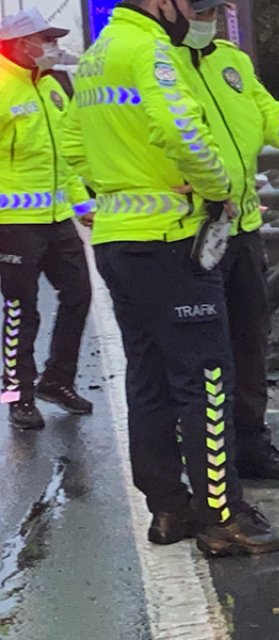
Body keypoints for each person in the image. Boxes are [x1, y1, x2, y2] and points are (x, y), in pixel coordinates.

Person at [62, 0, 279, 556]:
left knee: (149, 375)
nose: (202, 12)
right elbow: (183, 131)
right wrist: (215, 189)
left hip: (122, 236)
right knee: (207, 379)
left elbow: (72, 144)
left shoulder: (97, 58)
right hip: (171, 239)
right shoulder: (152, 52)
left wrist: (117, 185)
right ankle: (224, 516)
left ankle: (168, 507)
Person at [175, 0, 279, 481]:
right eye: (200, 9)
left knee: (251, 341)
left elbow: (264, 108)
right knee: (205, 352)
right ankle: (206, 457)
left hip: (243, 230)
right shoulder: (159, 63)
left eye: (216, 9)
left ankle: (251, 444)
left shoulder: (232, 60)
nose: (208, 18)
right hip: (189, 233)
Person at [0, 9, 96, 430]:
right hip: (12, 222)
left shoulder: (54, 87)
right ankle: (15, 395)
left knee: (78, 294)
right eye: (45, 39)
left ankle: (57, 379)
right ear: (19, 43)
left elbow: (66, 158)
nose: (52, 47)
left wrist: (82, 205)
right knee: (21, 311)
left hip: (57, 219)